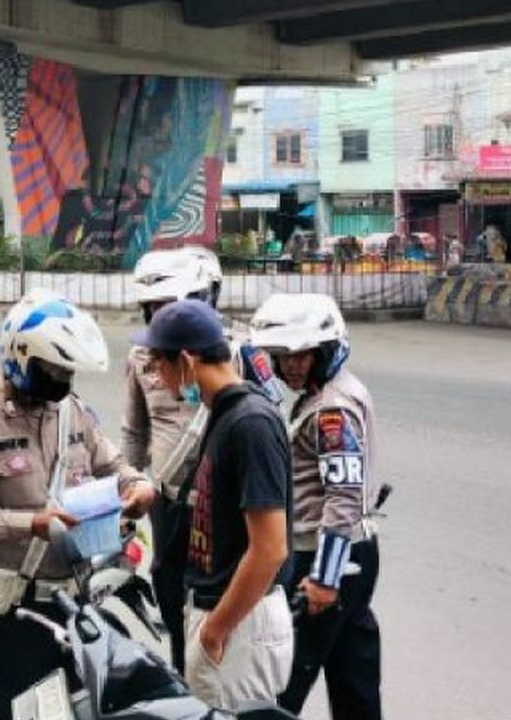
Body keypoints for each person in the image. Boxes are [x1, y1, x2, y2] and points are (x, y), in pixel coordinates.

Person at [0, 289, 156, 720]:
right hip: (5, 617)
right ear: (20, 357)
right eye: (53, 367)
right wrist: (30, 523)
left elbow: (113, 463)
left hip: (70, 609)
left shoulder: (73, 412)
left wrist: (137, 486)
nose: (62, 379)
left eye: (67, 369)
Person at [133, 299, 294, 711]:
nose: (159, 380)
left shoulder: (250, 423)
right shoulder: (223, 415)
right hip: (221, 616)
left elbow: (271, 548)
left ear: (186, 361)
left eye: (159, 366)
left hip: (238, 625)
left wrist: (215, 631)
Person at [249, 294, 384, 720]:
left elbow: (342, 497)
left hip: (326, 558)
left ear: (324, 351)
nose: (290, 365)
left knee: (281, 682)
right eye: (283, 356)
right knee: (353, 676)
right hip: (356, 553)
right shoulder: (332, 390)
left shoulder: (331, 410)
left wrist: (324, 580)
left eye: (301, 356)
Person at [122, 246, 228, 671]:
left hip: (219, 509)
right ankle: (185, 680)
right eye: (152, 310)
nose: (160, 319)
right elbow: (135, 432)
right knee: (169, 591)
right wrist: (126, 492)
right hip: (167, 503)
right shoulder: (141, 358)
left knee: (217, 601)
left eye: (168, 307)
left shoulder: (232, 356)